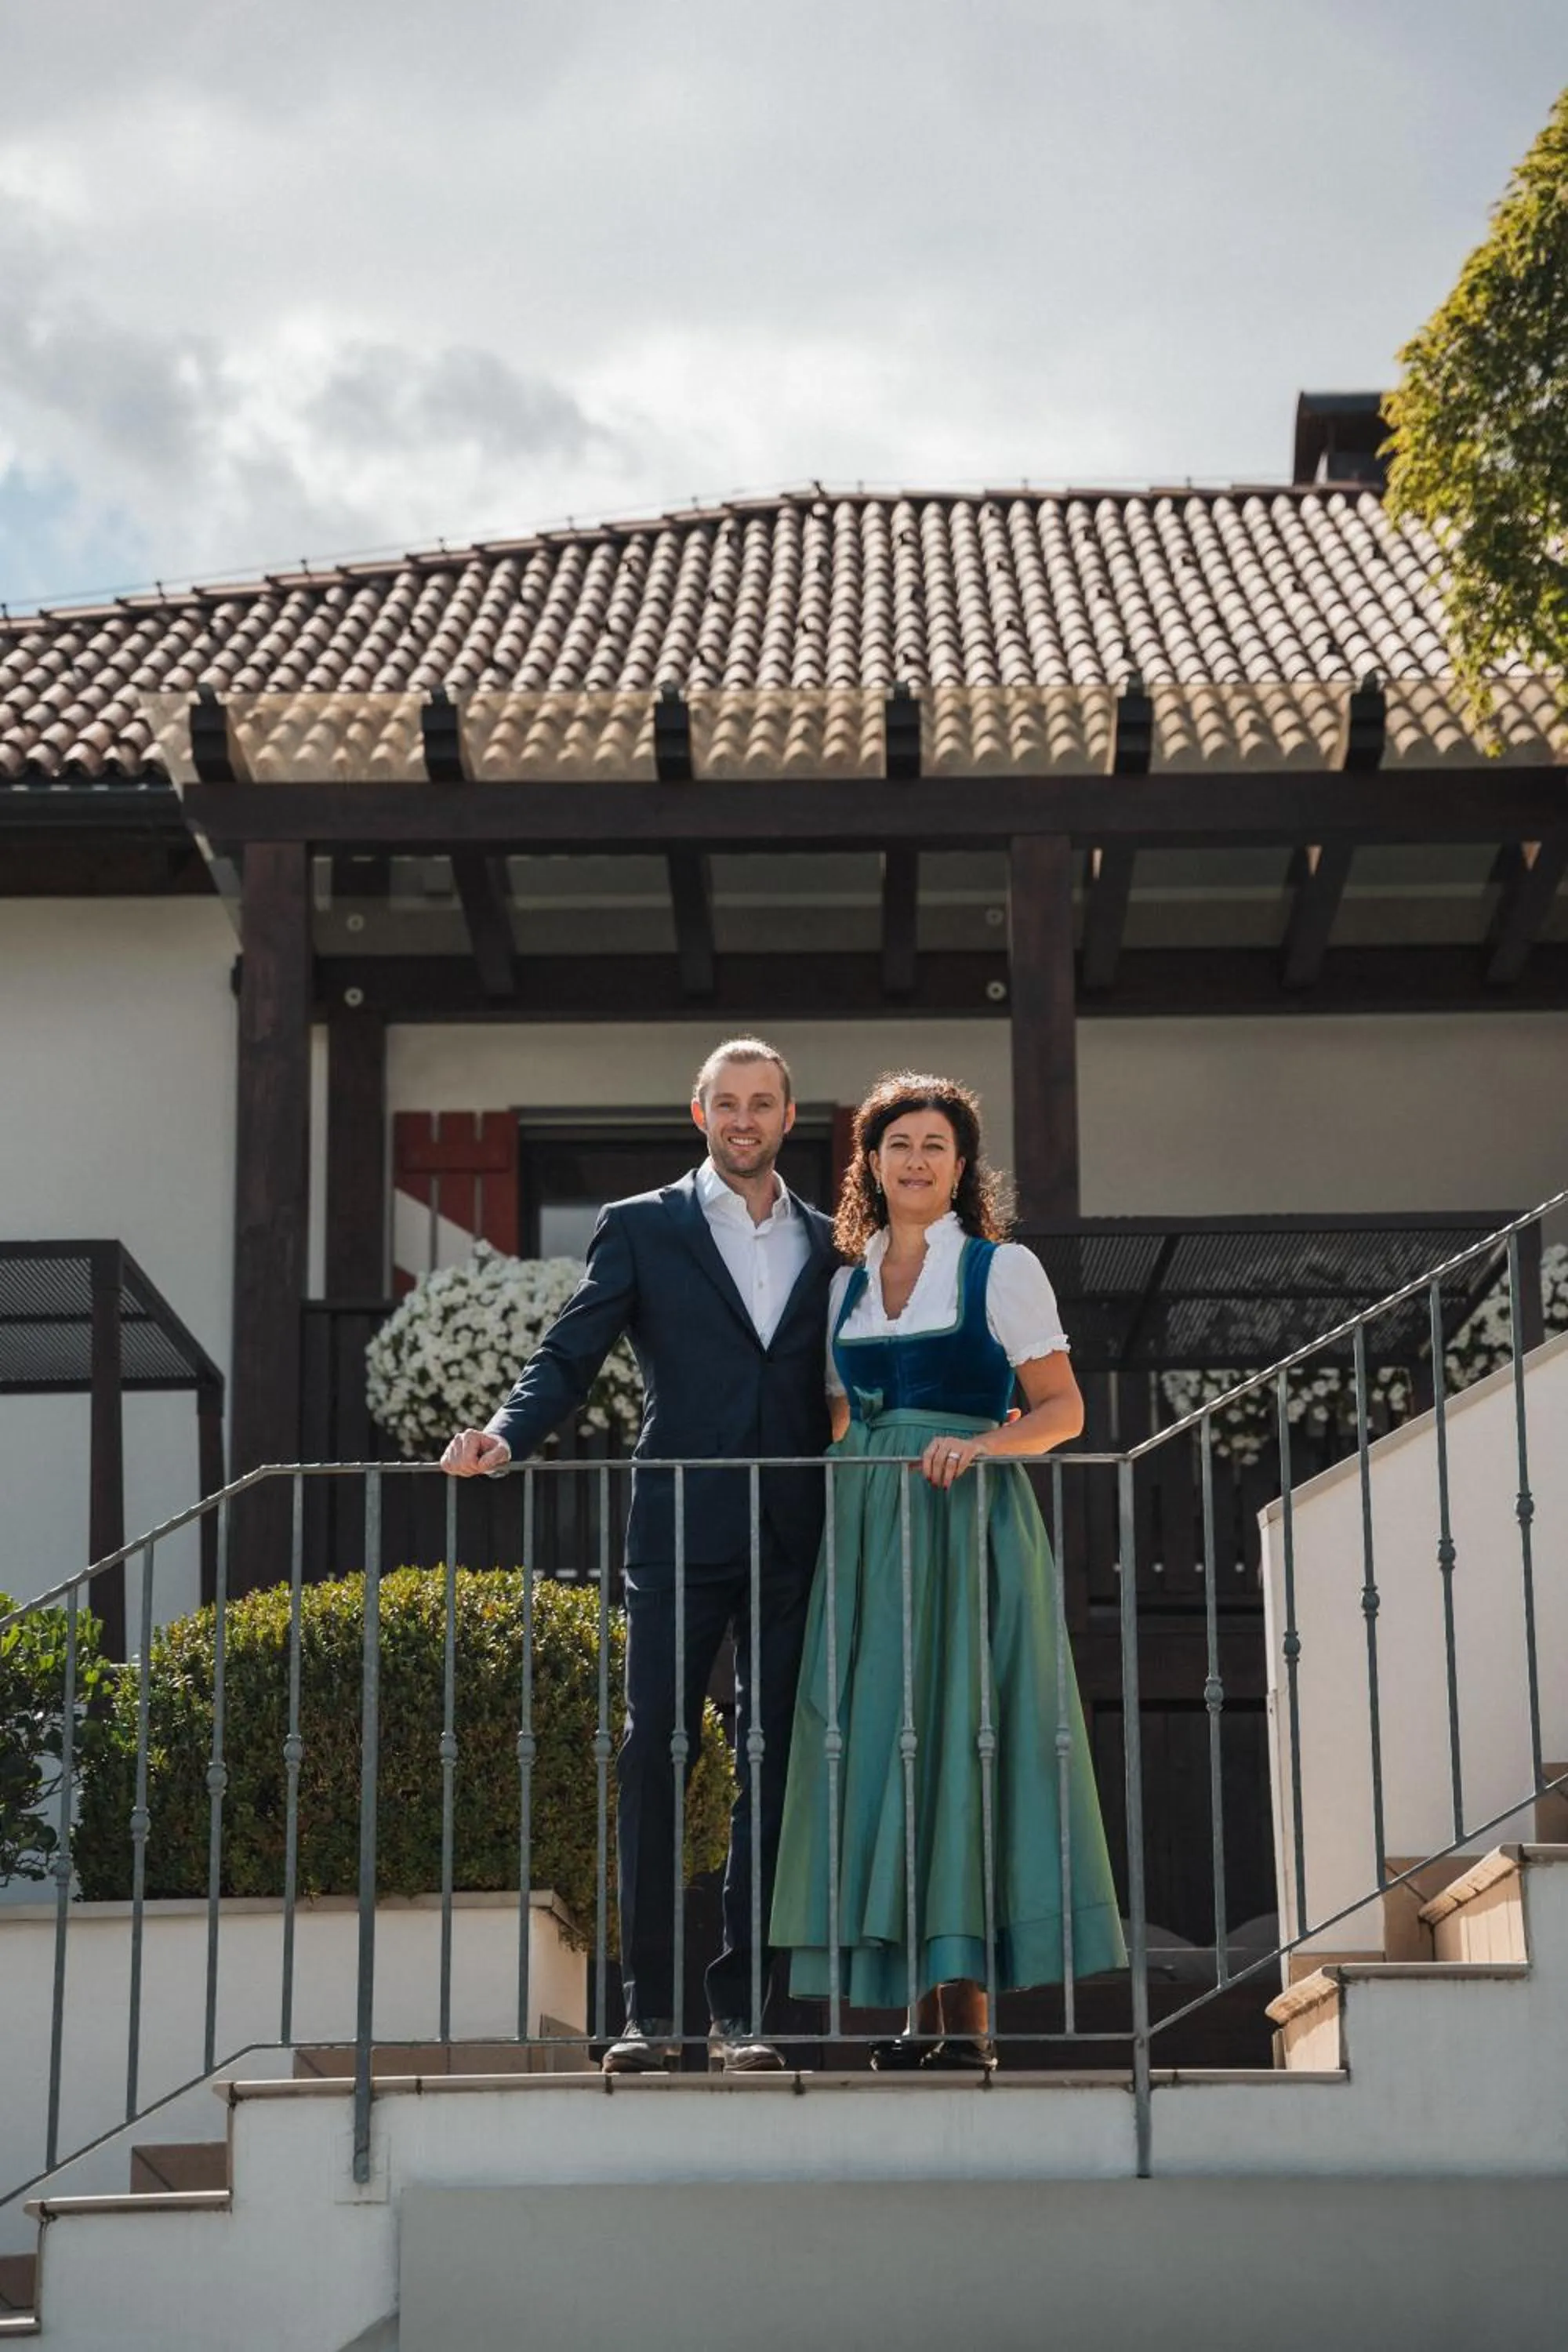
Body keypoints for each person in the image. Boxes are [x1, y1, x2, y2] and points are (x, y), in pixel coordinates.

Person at [441, 1039, 837, 2074]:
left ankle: (751, 2015)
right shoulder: (642, 1227)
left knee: (776, 1765)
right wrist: (505, 1433)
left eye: (764, 1104)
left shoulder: (836, 1242)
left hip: (800, 1531)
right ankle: (653, 2018)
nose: (745, 1120)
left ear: (789, 1118)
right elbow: (568, 1354)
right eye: (728, 1104)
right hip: (678, 1528)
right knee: (657, 1750)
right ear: (697, 1113)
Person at [770, 1071, 1127, 2071]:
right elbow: (842, 1411)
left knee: (964, 1732)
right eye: (897, 1145)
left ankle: (963, 2025)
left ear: (961, 1168)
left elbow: (1062, 1413)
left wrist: (980, 1448)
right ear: (870, 1167)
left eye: (934, 1145)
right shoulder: (844, 1280)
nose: (915, 1161)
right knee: (880, 1741)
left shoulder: (999, 1270)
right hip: (866, 1527)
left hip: (965, 1521)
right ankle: (909, 2013)